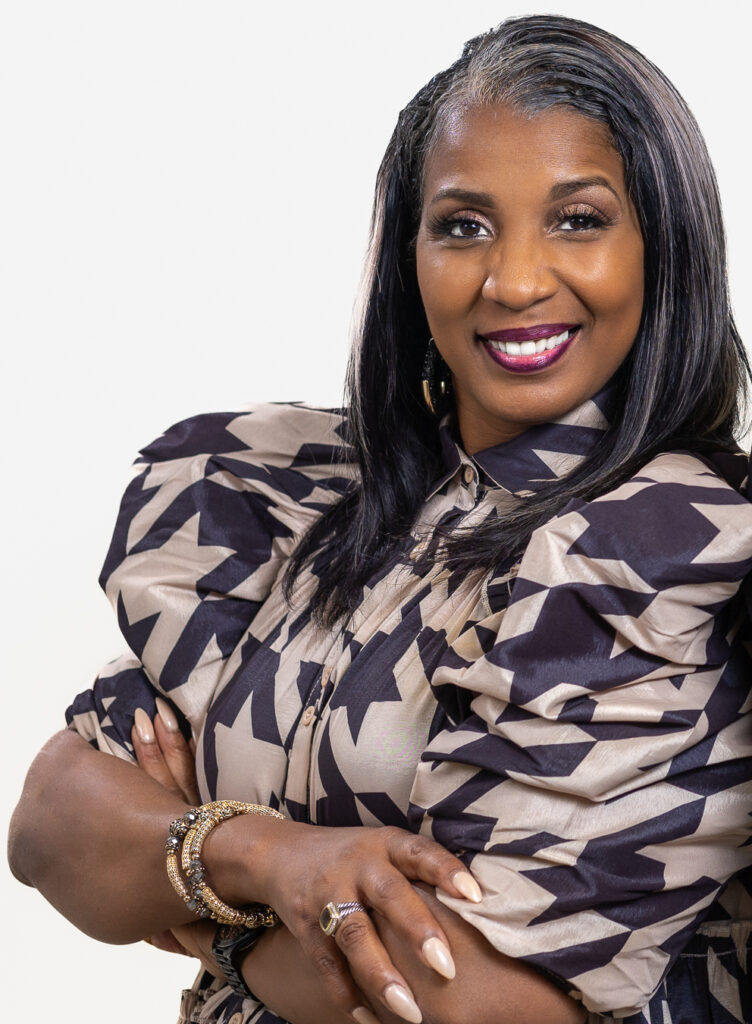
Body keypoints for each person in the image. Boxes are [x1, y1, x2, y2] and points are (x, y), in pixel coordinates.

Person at [8, 13, 752, 1024]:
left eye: (577, 220)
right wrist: (270, 858)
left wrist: (196, 902)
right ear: (409, 252)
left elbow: (469, 998)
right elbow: (52, 819)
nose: (514, 280)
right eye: (463, 226)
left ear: (663, 246)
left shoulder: (673, 549)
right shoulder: (303, 499)